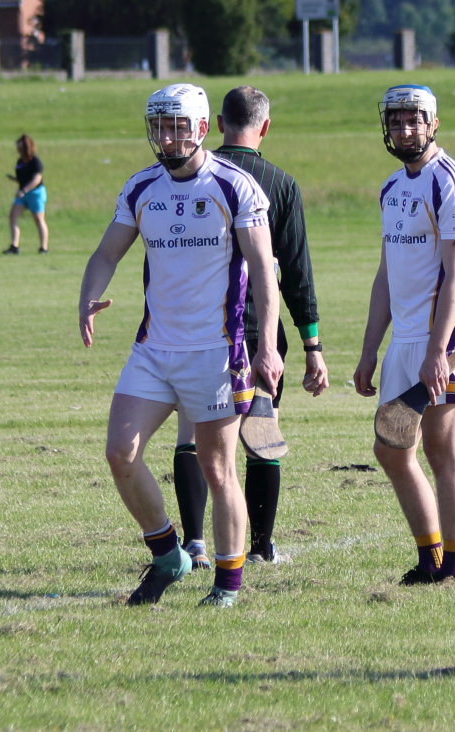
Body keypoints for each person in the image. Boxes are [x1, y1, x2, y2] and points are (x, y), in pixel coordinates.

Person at [79, 83, 283, 608]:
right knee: (120, 454)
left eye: (177, 127)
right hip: (153, 350)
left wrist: (268, 348)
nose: (167, 138)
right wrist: (88, 297)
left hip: (215, 354)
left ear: (200, 129)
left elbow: (263, 269)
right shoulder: (142, 187)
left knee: (218, 470)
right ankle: (169, 554)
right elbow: (106, 254)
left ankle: (228, 584)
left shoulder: (235, 186)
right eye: (159, 127)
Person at [171, 86, 328, 569]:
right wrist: (312, 345)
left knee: (192, 434)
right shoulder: (279, 184)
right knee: (261, 433)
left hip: (197, 326)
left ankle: (194, 542)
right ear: (265, 127)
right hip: (258, 331)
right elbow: (296, 272)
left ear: (218, 123)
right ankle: (259, 546)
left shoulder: (199, 175)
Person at [353, 85, 455, 586]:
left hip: (448, 340)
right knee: (391, 450)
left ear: (433, 124)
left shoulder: (450, 183)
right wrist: (369, 351)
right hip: (404, 339)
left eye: (415, 120)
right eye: (397, 121)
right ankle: (429, 557)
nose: (405, 129)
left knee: (442, 449)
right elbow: (386, 275)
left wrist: (437, 352)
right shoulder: (391, 188)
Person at [4, 134, 49, 254]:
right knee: (13, 216)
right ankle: (14, 246)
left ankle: (44, 247)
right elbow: (23, 177)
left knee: (38, 219)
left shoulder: (35, 161)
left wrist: (25, 190)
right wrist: (15, 180)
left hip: (35, 193)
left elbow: (36, 179)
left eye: (20, 148)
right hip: (22, 194)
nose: (18, 150)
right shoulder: (19, 161)